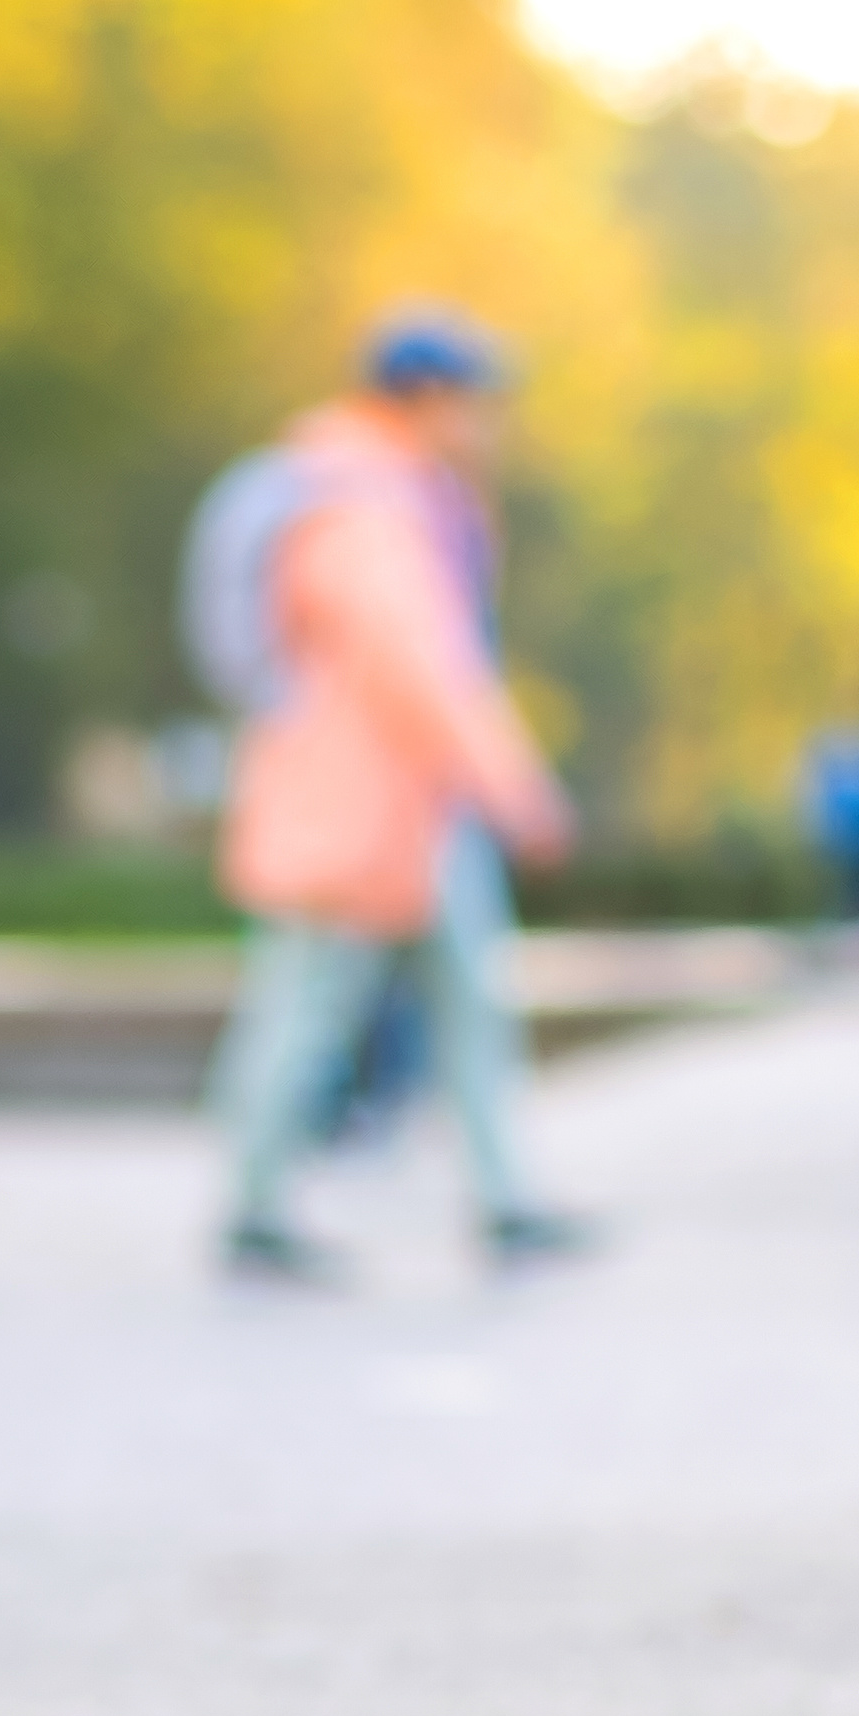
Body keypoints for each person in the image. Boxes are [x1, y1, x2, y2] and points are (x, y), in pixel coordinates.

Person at [193, 309, 582, 1280]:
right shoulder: (362, 503)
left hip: (418, 804)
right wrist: (516, 788)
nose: (490, 423)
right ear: (427, 399)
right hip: (358, 802)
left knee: (471, 1000)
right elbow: (417, 665)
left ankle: (506, 1198)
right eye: (477, 401)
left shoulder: (403, 493)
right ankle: (253, 1208)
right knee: (305, 1006)